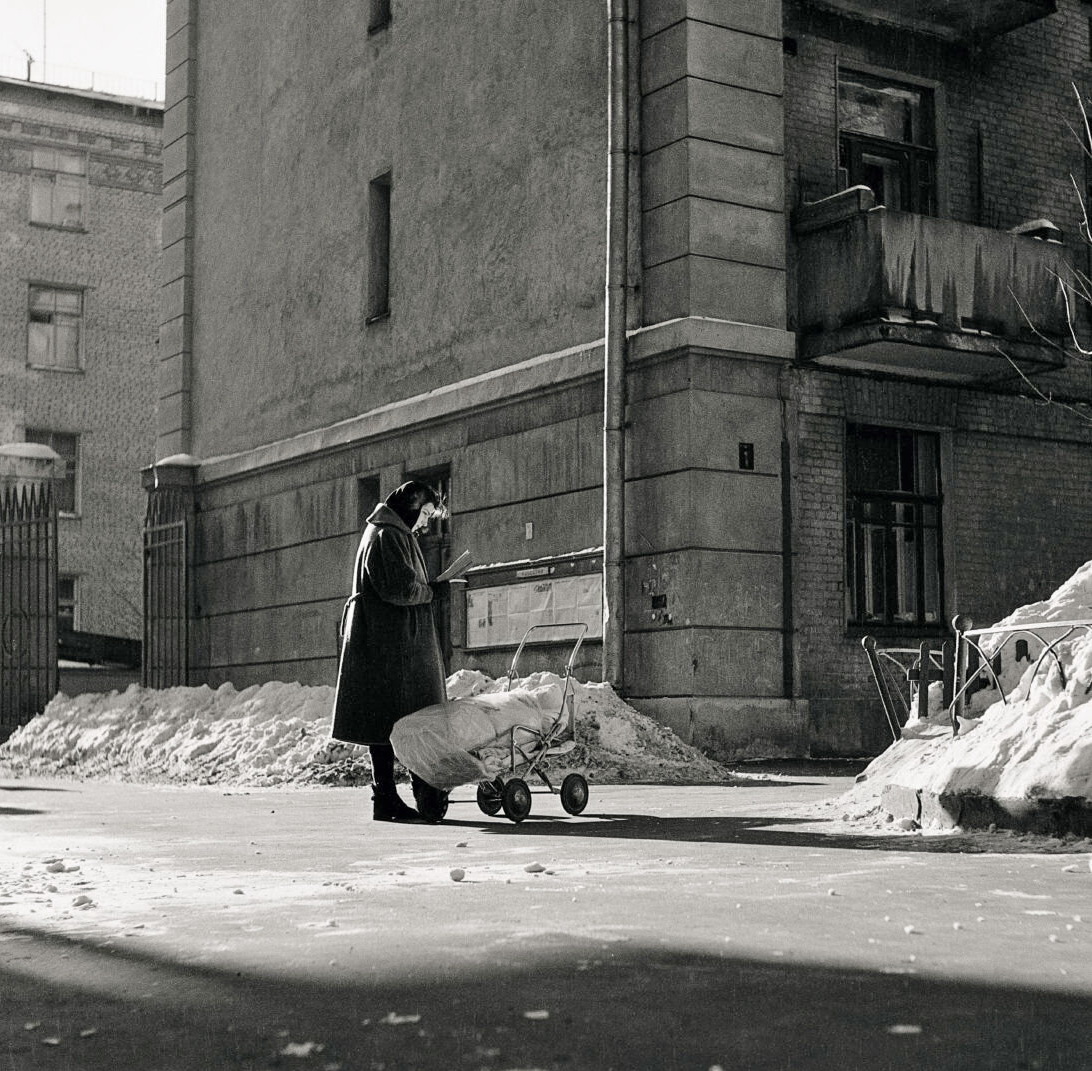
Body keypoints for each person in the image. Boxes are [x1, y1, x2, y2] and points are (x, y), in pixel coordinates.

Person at [331, 480, 449, 822]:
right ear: (410, 507)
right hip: (391, 646)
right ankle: (393, 795)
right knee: (393, 719)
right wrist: (434, 591)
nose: (426, 522)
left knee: (389, 719)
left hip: (390, 642)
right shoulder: (388, 535)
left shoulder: (392, 533)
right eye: (425, 513)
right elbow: (398, 588)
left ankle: (395, 795)